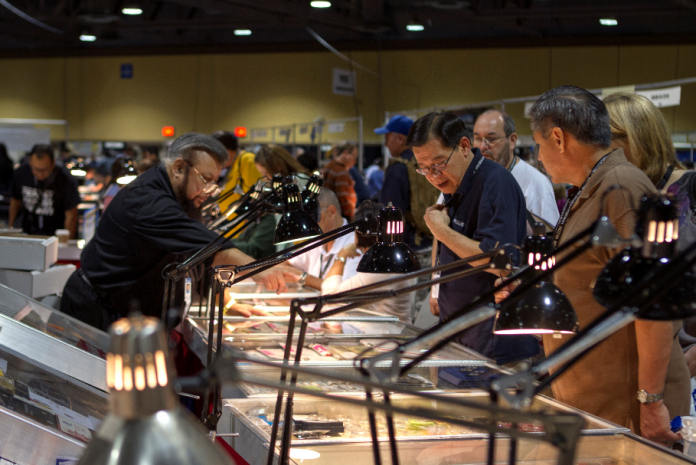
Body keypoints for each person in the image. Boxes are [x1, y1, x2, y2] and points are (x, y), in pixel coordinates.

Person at [498, 85, 689, 444]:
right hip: (593, 405)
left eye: (538, 144)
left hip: (629, 412)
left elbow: (654, 306)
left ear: (558, 138)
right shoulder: (593, 186)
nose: (538, 156)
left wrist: (651, 401)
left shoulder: (621, 188)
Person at [60, 133, 294, 331]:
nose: (210, 191)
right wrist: (257, 269)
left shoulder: (185, 197)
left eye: (215, 181)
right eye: (206, 179)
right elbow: (210, 249)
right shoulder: (149, 202)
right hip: (97, 310)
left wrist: (224, 302)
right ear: (179, 168)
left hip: (126, 314)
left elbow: (194, 257)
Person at [408, 112, 538, 365]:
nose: (433, 176)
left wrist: (441, 231)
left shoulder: (495, 183)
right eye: (424, 169)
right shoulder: (456, 184)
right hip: (460, 333)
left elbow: (499, 261)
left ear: (464, 147)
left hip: (493, 341)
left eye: (438, 165)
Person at [603, 92, 696, 381]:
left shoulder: (689, 188)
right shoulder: (623, 193)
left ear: (633, 138)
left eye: (605, 139)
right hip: (641, 364)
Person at [321, 201, 417, 323]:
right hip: (383, 334)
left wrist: (341, 256)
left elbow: (329, 299)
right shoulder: (386, 259)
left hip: (385, 338)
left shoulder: (381, 269)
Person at [473, 109, 559, 228]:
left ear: (512, 140)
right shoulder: (469, 175)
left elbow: (549, 236)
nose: (482, 146)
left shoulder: (536, 182)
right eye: (477, 138)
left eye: (491, 139)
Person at [376, 115, 440, 249]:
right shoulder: (428, 163)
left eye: (387, 138)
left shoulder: (397, 169)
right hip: (433, 239)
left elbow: (390, 214)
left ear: (400, 138)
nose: (385, 144)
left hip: (409, 245)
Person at [285, 189, 355, 290]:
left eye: (312, 216)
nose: (308, 223)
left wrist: (303, 277)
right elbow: (287, 265)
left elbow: (342, 291)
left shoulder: (354, 243)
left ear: (331, 212)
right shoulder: (319, 239)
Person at [9, 144, 80, 238]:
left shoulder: (66, 179)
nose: (40, 174)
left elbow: (71, 215)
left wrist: (66, 242)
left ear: (53, 163)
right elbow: (15, 201)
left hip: (54, 234)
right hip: (27, 231)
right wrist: (10, 229)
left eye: (44, 170)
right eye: (36, 169)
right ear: (30, 162)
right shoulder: (21, 173)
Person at [211, 131, 261, 212]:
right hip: (230, 218)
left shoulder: (247, 159)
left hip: (241, 221)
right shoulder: (234, 163)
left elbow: (252, 195)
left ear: (225, 150)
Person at [323, 142, 358, 221]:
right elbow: (344, 198)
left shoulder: (330, 166)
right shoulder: (341, 172)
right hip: (340, 217)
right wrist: (352, 218)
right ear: (345, 153)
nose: (355, 161)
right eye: (354, 156)